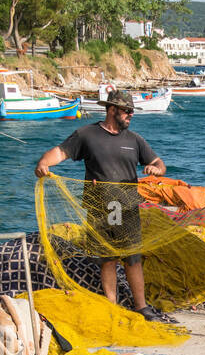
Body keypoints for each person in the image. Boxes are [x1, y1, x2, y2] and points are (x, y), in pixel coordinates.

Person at [35, 90, 168, 321]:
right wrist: (44, 163)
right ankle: (111, 305)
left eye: (132, 111)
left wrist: (156, 169)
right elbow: (60, 152)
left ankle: (142, 306)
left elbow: (158, 162)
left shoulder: (134, 140)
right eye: (127, 111)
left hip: (126, 208)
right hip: (100, 208)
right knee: (107, 257)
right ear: (112, 109)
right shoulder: (87, 135)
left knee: (132, 257)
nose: (130, 115)